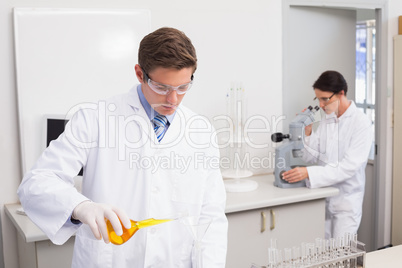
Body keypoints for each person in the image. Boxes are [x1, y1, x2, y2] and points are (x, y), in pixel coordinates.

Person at [17, 27, 228, 268]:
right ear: (140, 74)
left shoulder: (201, 130)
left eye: (182, 88)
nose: (173, 100)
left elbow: (211, 217)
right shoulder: (95, 119)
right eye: (162, 87)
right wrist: (80, 207)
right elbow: (36, 183)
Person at [282, 70, 373, 239]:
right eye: (318, 99)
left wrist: (309, 172)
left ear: (341, 93)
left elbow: (348, 168)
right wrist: (307, 133)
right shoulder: (327, 118)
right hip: (324, 198)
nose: (321, 105)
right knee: (322, 255)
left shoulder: (361, 123)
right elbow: (311, 157)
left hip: (346, 203)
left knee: (340, 258)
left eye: (325, 99)